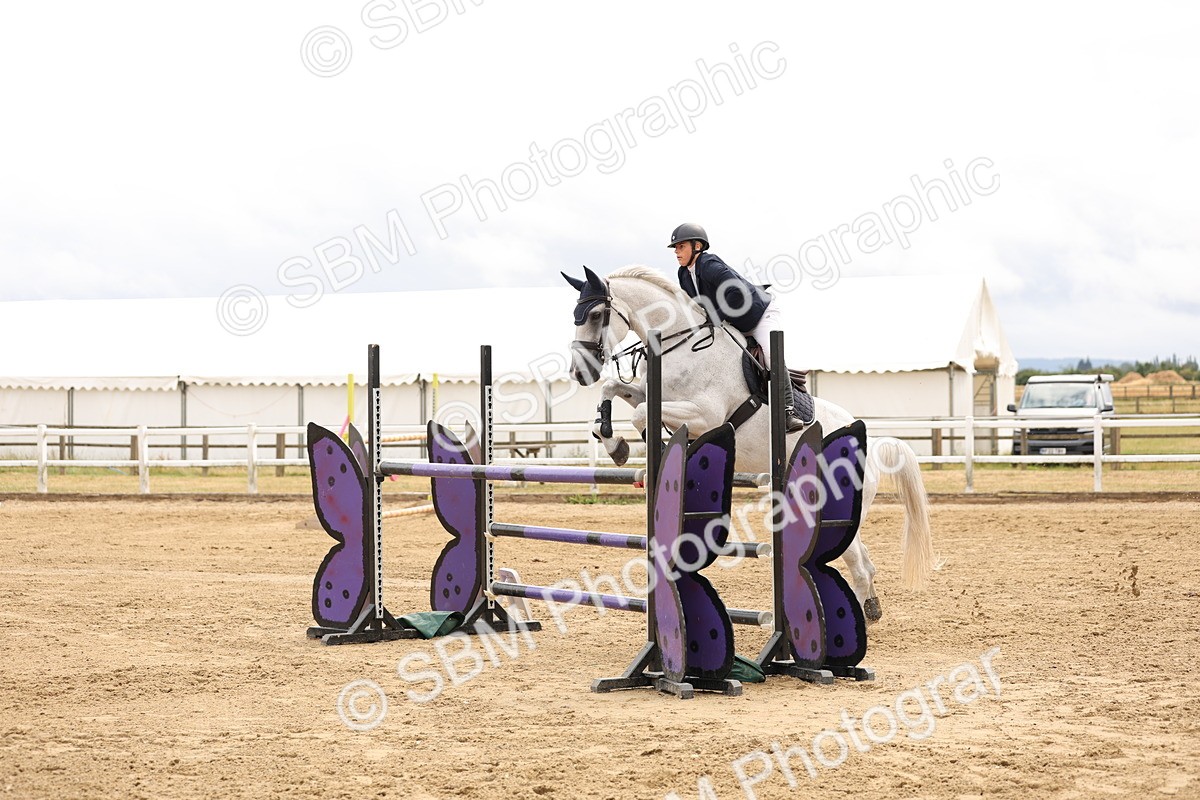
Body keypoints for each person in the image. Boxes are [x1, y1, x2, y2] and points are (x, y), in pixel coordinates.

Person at [669, 222, 805, 432]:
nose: (677, 252)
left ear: (697, 246)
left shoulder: (709, 264)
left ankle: (788, 411)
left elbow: (736, 292)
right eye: (676, 248)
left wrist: (717, 316)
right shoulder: (683, 274)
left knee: (771, 355)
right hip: (733, 321)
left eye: (681, 246)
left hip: (760, 315)